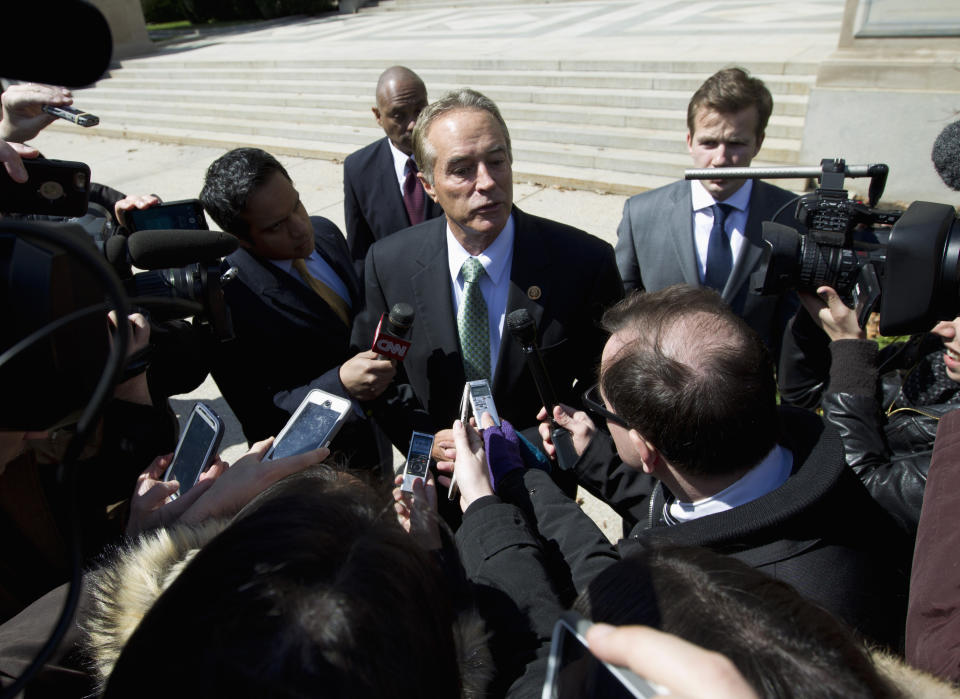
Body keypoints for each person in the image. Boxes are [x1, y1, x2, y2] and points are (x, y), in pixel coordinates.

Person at [507, 285, 911, 649]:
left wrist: (514, 484)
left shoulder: (697, 614)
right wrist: (596, 459)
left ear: (645, 449)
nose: (595, 412)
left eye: (600, 405)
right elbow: (705, 515)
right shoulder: (825, 476)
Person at [351, 88, 624, 470]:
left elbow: (607, 379)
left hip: (542, 474)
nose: (486, 182)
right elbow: (380, 378)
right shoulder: (388, 262)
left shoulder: (583, 261)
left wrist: (556, 434)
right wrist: (424, 441)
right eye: (461, 170)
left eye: (496, 162)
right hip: (442, 480)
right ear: (427, 183)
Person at [199, 148, 395, 471]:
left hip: (377, 435)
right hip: (320, 471)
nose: (301, 227)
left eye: (297, 205)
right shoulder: (225, 303)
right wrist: (340, 385)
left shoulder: (326, 233)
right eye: (276, 226)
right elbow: (261, 418)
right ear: (239, 239)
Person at [614, 67, 800, 359]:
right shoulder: (642, 214)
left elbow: (793, 324)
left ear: (759, 142)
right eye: (709, 143)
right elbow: (622, 306)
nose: (721, 159)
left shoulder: (788, 216)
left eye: (736, 143)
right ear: (689, 141)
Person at [778, 285, 960, 538]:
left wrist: (851, 350)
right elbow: (806, 396)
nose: (943, 328)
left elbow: (861, 494)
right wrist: (820, 310)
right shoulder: (935, 359)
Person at [342, 66, 443, 272]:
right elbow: (361, 252)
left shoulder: (451, 155)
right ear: (378, 115)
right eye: (399, 115)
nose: (413, 124)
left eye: (420, 110)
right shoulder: (358, 170)